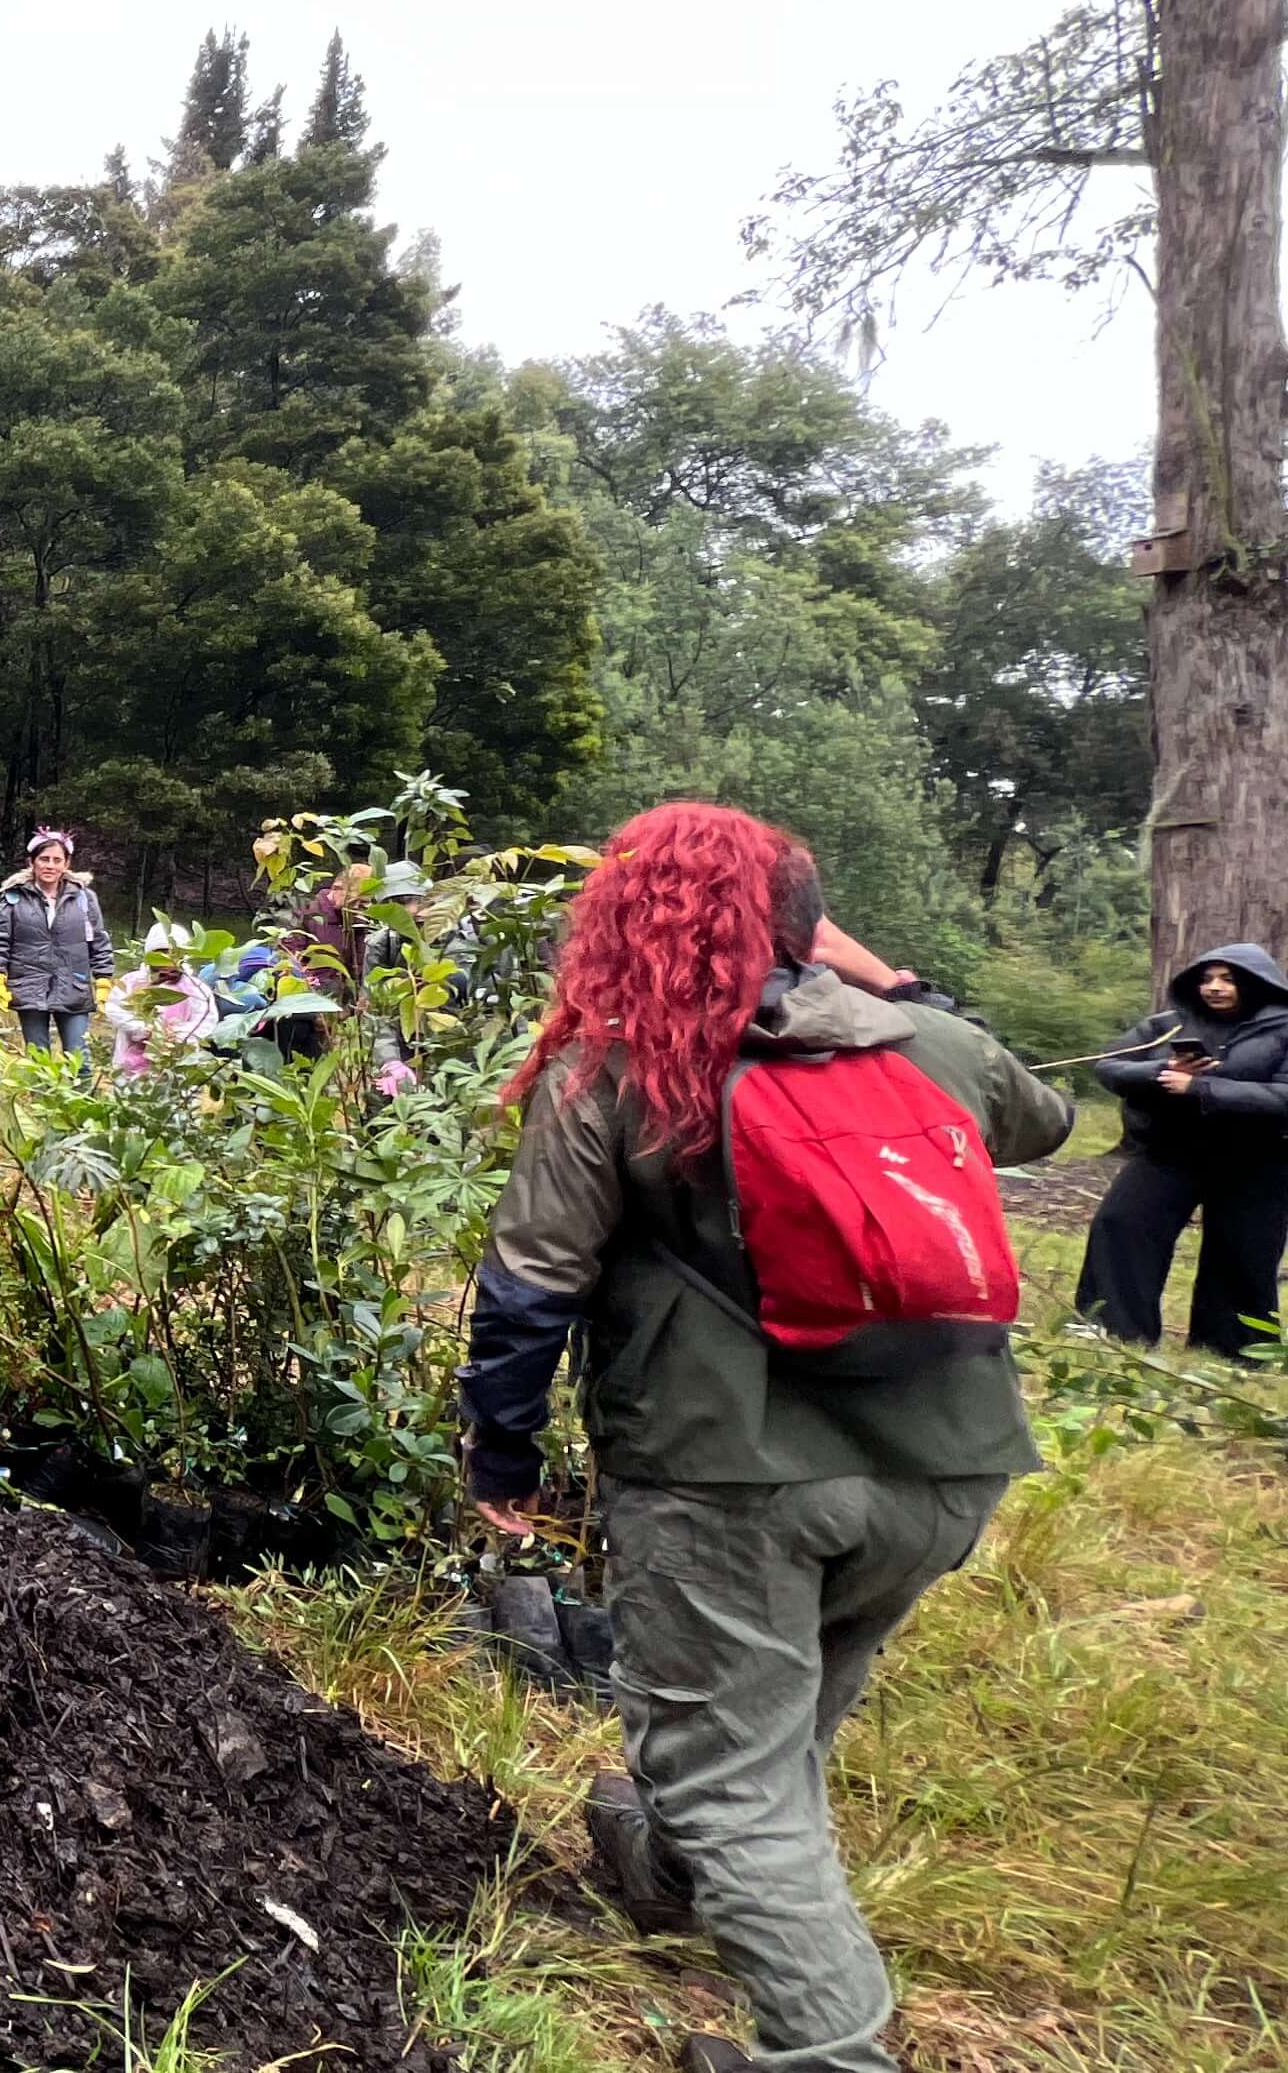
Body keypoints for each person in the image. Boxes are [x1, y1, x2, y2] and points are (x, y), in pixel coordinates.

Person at [458, 804, 1067, 2073]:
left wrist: (500, 1455)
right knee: (779, 1714)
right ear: (808, 931)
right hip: (950, 1463)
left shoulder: (617, 1070)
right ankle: (670, 1871)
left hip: (727, 1473)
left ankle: (830, 2054)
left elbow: (530, 1283)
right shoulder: (933, 1046)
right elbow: (1045, 1121)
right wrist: (891, 982)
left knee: (731, 1769)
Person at [1076, 943, 1288, 1357]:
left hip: (1255, 1159)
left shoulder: (1283, 1029)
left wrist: (1202, 1087)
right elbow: (1109, 1067)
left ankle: (1233, 1350)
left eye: (1228, 979)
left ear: (1257, 982)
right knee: (1122, 1225)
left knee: (1242, 1252)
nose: (1214, 987)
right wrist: (1162, 1071)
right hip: (1169, 1150)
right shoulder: (1169, 1024)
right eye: (1207, 978)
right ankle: (1113, 1329)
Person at [0, 826, 117, 1057]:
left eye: (57, 860)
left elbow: (99, 941)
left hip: (74, 987)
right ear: (32, 862)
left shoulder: (84, 898)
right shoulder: (14, 897)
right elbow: (0, 941)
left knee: (79, 1059)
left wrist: (103, 980)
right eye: (44, 859)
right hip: (30, 987)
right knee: (39, 1060)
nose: (50, 865)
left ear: (66, 864)